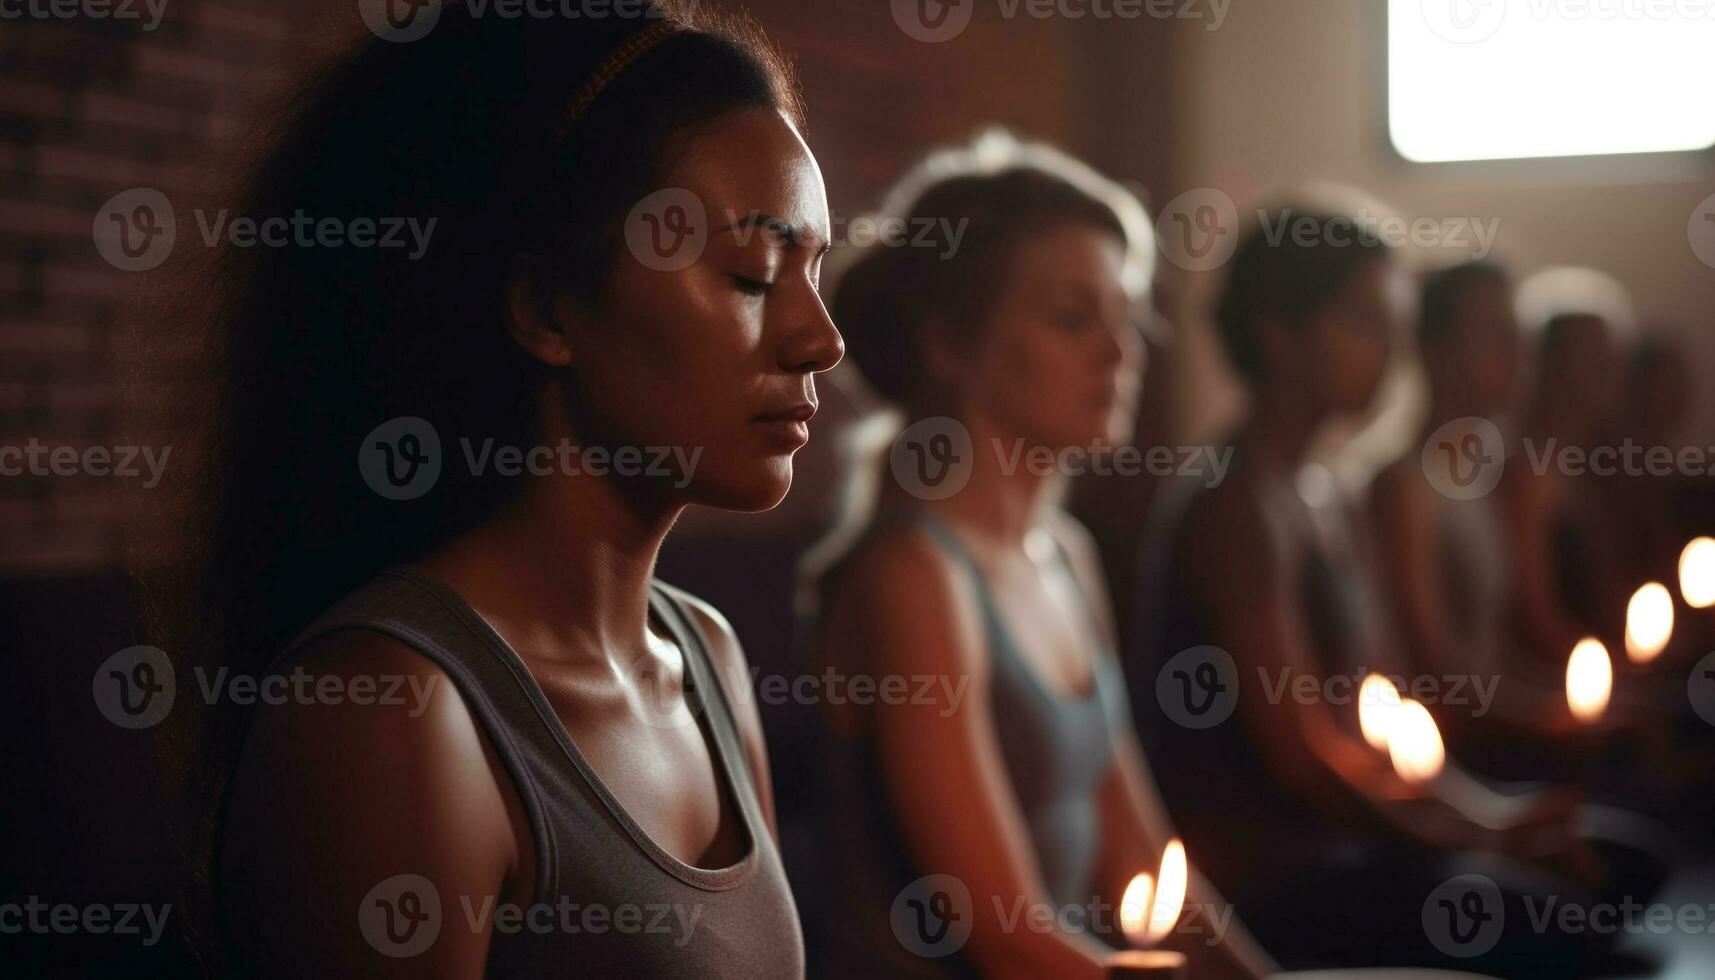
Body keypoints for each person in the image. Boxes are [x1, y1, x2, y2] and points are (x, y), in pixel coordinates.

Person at [155, 6, 843, 976]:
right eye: (750, 272)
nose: (820, 338)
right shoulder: (394, 710)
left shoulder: (708, 658)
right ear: (543, 306)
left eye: (816, 271)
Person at [804, 133, 1275, 980]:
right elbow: (1007, 939)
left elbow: (1138, 852)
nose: (1120, 352)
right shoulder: (911, 576)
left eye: (1126, 318)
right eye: (1071, 318)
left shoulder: (1064, 554)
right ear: (948, 343)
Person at [1130, 209, 1613, 974]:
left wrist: (1489, 813)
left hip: (1354, 836)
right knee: (1571, 923)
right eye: (1360, 323)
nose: (1387, 352)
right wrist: (1470, 838)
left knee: (1616, 867)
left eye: (1391, 325)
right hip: (1276, 873)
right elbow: (1301, 759)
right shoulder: (1235, 504)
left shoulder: (1321, 490)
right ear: (1278, 334)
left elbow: (1380, 709)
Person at [1368, 262, 1579, 771]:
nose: (1516, 358)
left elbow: (1496, 651)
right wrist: (1557, 721)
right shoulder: (1402, 487)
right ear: (1434, 351)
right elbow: (1437, 672)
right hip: (1459, 757)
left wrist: (1568, 701)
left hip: (1506, 738)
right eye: (1492, 336)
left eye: (1519, 339)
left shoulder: (1488, 479)